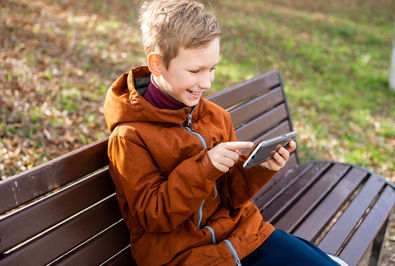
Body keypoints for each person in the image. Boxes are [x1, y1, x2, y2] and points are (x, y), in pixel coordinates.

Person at [103, 0, 347, 265]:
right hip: (185, 256)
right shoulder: (129, 138)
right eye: (195, 70)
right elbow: (154, 215)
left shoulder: (215, 117)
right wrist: (205, 167)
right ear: (157, 64)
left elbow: (230, 196)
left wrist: (260, 167)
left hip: (243, 236)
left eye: (212, 69)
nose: (206, 82)